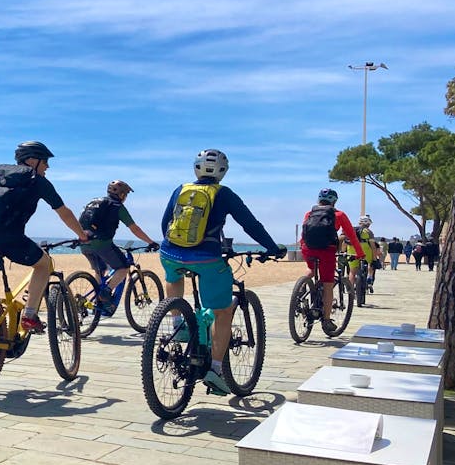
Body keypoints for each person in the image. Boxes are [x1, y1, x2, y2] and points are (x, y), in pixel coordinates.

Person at [159, 149, 286, 394]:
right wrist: (271, 248)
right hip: (207, 258)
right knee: (222, 311)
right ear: (223, 172)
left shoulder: (180, 189)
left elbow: (165, 224)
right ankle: (215, 370)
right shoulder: (224, 193)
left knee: (173, 276)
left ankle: (178, 322)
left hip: (170, 253)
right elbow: (250, 224)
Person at [0, 141, 90, 333]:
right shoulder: (38, 181)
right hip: (11, 239)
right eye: (45, 161)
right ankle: (30, 315)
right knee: (44, 264)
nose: (47, 166)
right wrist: (81, 235)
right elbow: (64, 212)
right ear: (32, 160)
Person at [78, 180, 158, 314]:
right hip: (102, 244)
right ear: (121, 195)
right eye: (125, 194)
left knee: (100, 271)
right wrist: (150, 242)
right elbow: (134, 228)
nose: (125, 197)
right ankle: (105, 293)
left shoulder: (94, 202)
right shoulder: (117, 206)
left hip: (84, 243)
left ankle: (93, 301)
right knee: (124, 267)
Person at [299, 188, 364, 336]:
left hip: (308, 249)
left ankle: (302, 288)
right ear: (334, 201)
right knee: (328, 283)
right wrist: (359, 253)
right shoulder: (339, 215)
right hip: (327, 251)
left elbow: (304, 234)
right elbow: (352, 236)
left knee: (311, 270)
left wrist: (304, 246)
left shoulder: (309, 213)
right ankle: (326, 320)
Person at [344, 214, 378, 289]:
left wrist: (343, 251)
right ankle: (369, 277)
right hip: (365, 250)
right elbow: (373, 247)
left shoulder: (352, 229)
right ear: (368, 223)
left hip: (352, 249)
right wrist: (375, 259)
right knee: (370, 263)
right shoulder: (369, 232)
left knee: (352, 272)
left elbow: (345, 243)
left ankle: (351, 289)